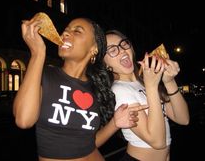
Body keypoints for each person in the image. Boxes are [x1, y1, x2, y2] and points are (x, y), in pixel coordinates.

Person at [13, 15, 148, 161]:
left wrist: (114, 124)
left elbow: (89, 144)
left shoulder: (97, 89)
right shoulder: (45, 74)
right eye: (65, 31)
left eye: (77, 31)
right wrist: (38, 54)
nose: (64, 34)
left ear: (94, 48)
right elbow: (24, 120)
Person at [103, 29, 190, 161]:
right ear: (105, 64)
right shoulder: (119, 89)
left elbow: (183, 119)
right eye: (112, 50)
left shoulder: (144, 81)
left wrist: (169, 81)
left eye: (123, 44)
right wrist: (151, 87)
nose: (121, 50)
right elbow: (157, 142)